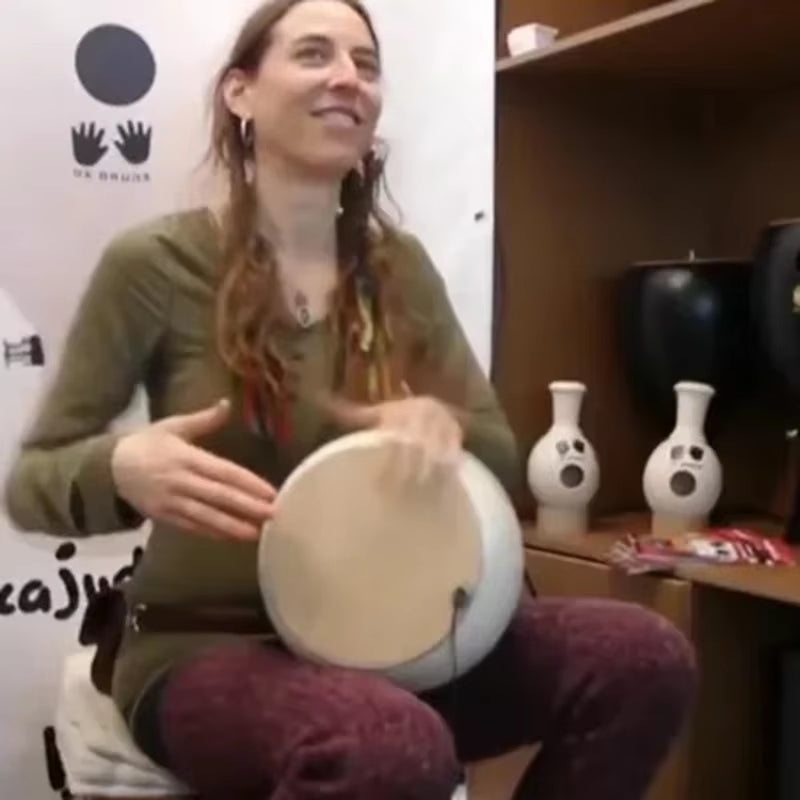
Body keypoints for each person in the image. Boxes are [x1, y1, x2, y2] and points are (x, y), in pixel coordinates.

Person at [4, 1, 697, 798]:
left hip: (390, 641)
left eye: (365, 64)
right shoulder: (155, 265)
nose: (348, 78)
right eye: (313, 54)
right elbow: (35, 483)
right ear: (240, 93)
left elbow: (500, 458)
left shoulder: (399, 268)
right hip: (206, 646)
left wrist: (445, 433)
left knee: (644, 658)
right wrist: (119, 467)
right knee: (389, 744)